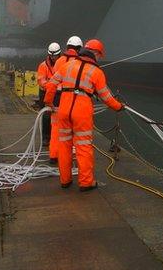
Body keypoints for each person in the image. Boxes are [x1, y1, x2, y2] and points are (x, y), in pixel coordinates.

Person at [44, 39, 124, 191]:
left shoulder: (67, 65)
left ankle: (65, 180)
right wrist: (119, 107)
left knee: (64, 145)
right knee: (83, 147)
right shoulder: (97, 72)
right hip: (82, 111)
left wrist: (49, 102)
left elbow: (51, 84)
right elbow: (106, 97)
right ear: (96, 54)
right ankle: (86, 182)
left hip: (64, 108)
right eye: (100, 55)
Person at [44, 36, 83, 165]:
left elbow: (52, 83)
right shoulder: (81, 61)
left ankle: (54, 156)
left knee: (55, 128)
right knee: (74, 129)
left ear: (66, 47)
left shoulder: (60, 61)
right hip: (75, 99)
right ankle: (73, 156)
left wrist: (48, 101)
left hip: (57, 97)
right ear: (80, 48)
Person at [36, 42, 62, 147]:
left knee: (58, 116)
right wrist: (51, 86)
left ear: (59, 54)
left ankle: (56, 137)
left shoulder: (63, 64)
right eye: (51, 55)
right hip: (45, 92)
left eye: (54, 55)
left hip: (58, 93)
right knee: (46, 116)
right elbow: (41, 80)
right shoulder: (43, 66)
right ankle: (46, 138)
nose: (52, 57)